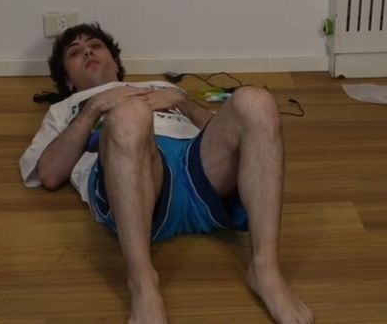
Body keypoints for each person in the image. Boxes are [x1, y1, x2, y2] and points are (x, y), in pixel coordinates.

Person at [20, 23, 313, 324]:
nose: (87, 52)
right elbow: (50, 174)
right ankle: (143, 285)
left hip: (197, 167)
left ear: (116, 62)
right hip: (138, 184)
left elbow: (233, 134)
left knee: (255, 101)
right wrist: (93, 109)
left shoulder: (160, 87)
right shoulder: (66, 109)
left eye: (95, 46)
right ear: (68, 80)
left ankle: (265, 269)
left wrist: (183, 102)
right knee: (131, 113)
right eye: (75, 52)